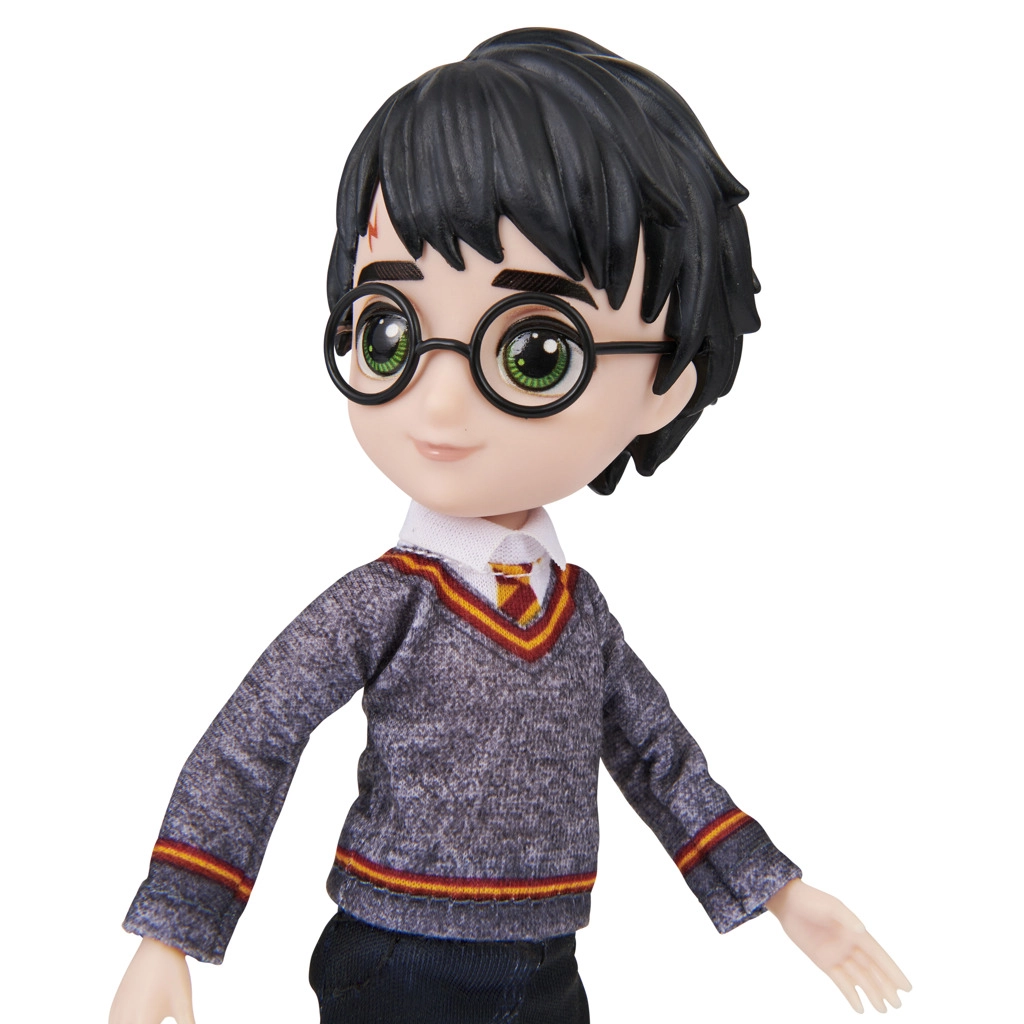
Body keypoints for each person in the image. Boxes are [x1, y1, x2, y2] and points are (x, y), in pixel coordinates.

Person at [110, 28, 910, 1023]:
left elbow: (663, 764)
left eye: (533, 351)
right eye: (388, 333)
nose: (439, 405)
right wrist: (171, 933)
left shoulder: (579, 616)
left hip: (546, 962)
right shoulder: (383, 604)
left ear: (665, 381)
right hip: (393, 957)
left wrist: (779, 894)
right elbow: (251, 739)